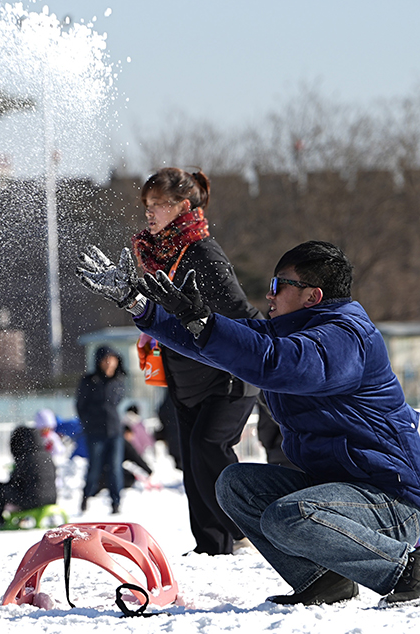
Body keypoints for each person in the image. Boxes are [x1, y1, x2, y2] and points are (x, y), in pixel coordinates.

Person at [79, 240, 420, 608]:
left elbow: (278, 363)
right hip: (339, 492)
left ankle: (410, 571)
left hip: (389, 500)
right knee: (236, 485)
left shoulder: (347, 339)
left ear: (313, 295)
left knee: (288, 516)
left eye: (279, 285)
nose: (269, 295)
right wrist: (140, 304)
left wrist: (206, 323)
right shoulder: (288, 331)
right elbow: (214, 344)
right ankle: (324, 580)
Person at [84, 167, 262, 555]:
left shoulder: (203, 253)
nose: (149, 212)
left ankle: (243, 530)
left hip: (225, 377)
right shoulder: (158, 257)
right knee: (192, 459)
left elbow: (243, 314)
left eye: (159, 204)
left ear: (182, 206)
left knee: (208, 447)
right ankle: (211, 544)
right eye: (146, 204)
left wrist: (270, 355)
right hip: (185, 377)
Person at [75, 346, 126, 514]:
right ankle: (85, 497)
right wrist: (88, 424)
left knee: (115, 468)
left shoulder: (118, 381)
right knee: (94, 468)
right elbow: (80, 406)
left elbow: (116, 404)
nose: (109, 362)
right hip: (95, 431)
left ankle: (116, 503)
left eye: (112, 358)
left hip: (115, 431)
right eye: (106, 359)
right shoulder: (89, 381)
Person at [0, 426, 57, 528]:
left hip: (33, 500)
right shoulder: (46, 456)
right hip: (51, 498)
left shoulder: (26, 457)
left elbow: (16, 481)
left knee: (1, 488)